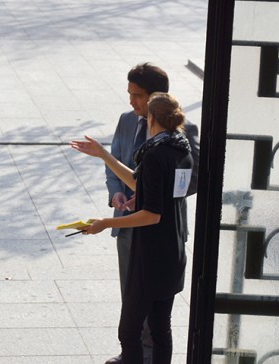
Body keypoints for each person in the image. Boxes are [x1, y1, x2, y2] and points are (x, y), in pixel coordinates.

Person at [71, 92, 193, 364]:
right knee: (161, 328)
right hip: (173, 251)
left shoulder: (154, 155)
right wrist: (104, 155)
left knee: (129, 332)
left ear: (151, 119)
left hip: (150, 256)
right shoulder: (181, 149)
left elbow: (151, 215)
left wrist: (105, 223)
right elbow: (144, 185)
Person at [104, 62, 199, 364]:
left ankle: (142, 354)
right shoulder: (126, 121)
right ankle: (132, 354)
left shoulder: (181, 135)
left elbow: (192, 178)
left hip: (159, 230)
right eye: (129, 94)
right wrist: (117, 193)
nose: (131, 102)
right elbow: (118, 163)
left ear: (155, 99)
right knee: (135, 302)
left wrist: (150, 195)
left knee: (151, 318)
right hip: (130, 225)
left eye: (137, 95)